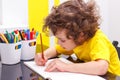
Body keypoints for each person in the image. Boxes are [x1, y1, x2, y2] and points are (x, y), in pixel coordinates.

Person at [35, 0, 120, 76]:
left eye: (62, 40)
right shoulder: (76, 40)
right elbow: (57, 50)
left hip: (111, 77)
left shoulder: (98, 39)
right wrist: (44, 55)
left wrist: (65, 66)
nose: (58, 43)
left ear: (80, 35)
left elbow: (101, 67)